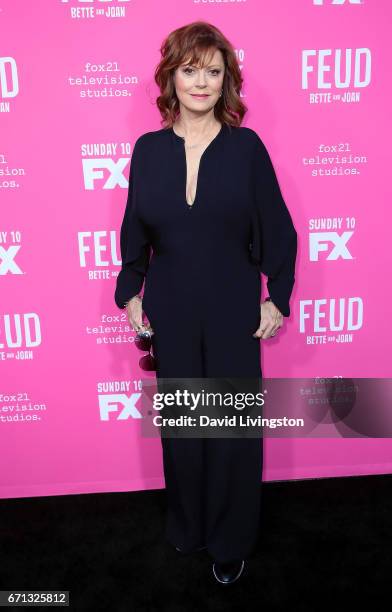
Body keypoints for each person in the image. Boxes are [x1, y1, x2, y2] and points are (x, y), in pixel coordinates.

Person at [114, 21, 297, 585]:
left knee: (231, 430)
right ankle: (188, 526)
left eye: (213, 72)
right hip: (170, 306)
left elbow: (280, 230)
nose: (202, 82)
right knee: (185, 430)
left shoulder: (246, 149)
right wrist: (130, 290)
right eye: (190, 70)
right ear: (171, 75)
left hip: (232, 306)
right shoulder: (147, 150)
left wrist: (277, 297)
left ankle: (230, 538)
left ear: (227, 81)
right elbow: (134, 229)